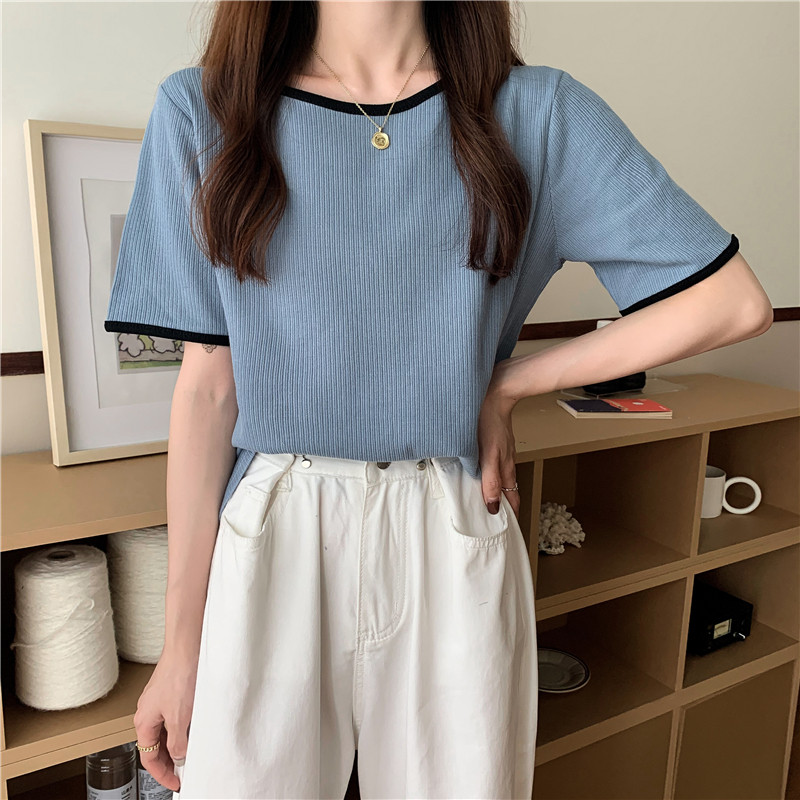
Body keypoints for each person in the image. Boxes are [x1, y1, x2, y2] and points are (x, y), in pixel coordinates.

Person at [104, 1, 772, 798]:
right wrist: (180, 648)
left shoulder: (535, 114)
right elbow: (209, 389)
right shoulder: (206, 111)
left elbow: (730, 302)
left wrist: (512, 382)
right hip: (276, 529)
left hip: (448, 523)